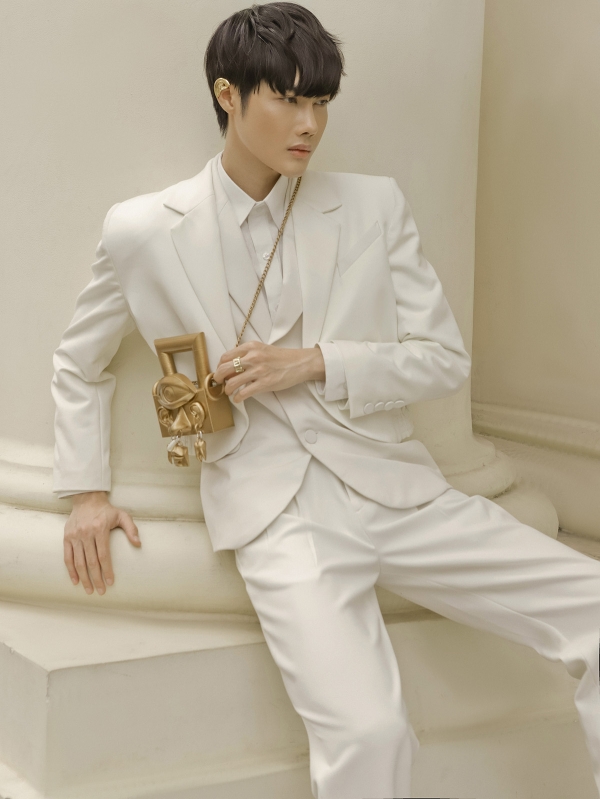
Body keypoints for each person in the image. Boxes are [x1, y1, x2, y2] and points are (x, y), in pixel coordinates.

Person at [51, 3, 600, 797]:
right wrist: (88, 494)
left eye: (321, 102)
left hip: (398, 490)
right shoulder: (142, 229)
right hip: (280, 519)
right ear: (229, 95)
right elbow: (80, 359)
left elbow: (443, 357)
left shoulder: (372, 206)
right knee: (369, 734)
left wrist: (315, 363)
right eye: (288, 99)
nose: (309, 123)